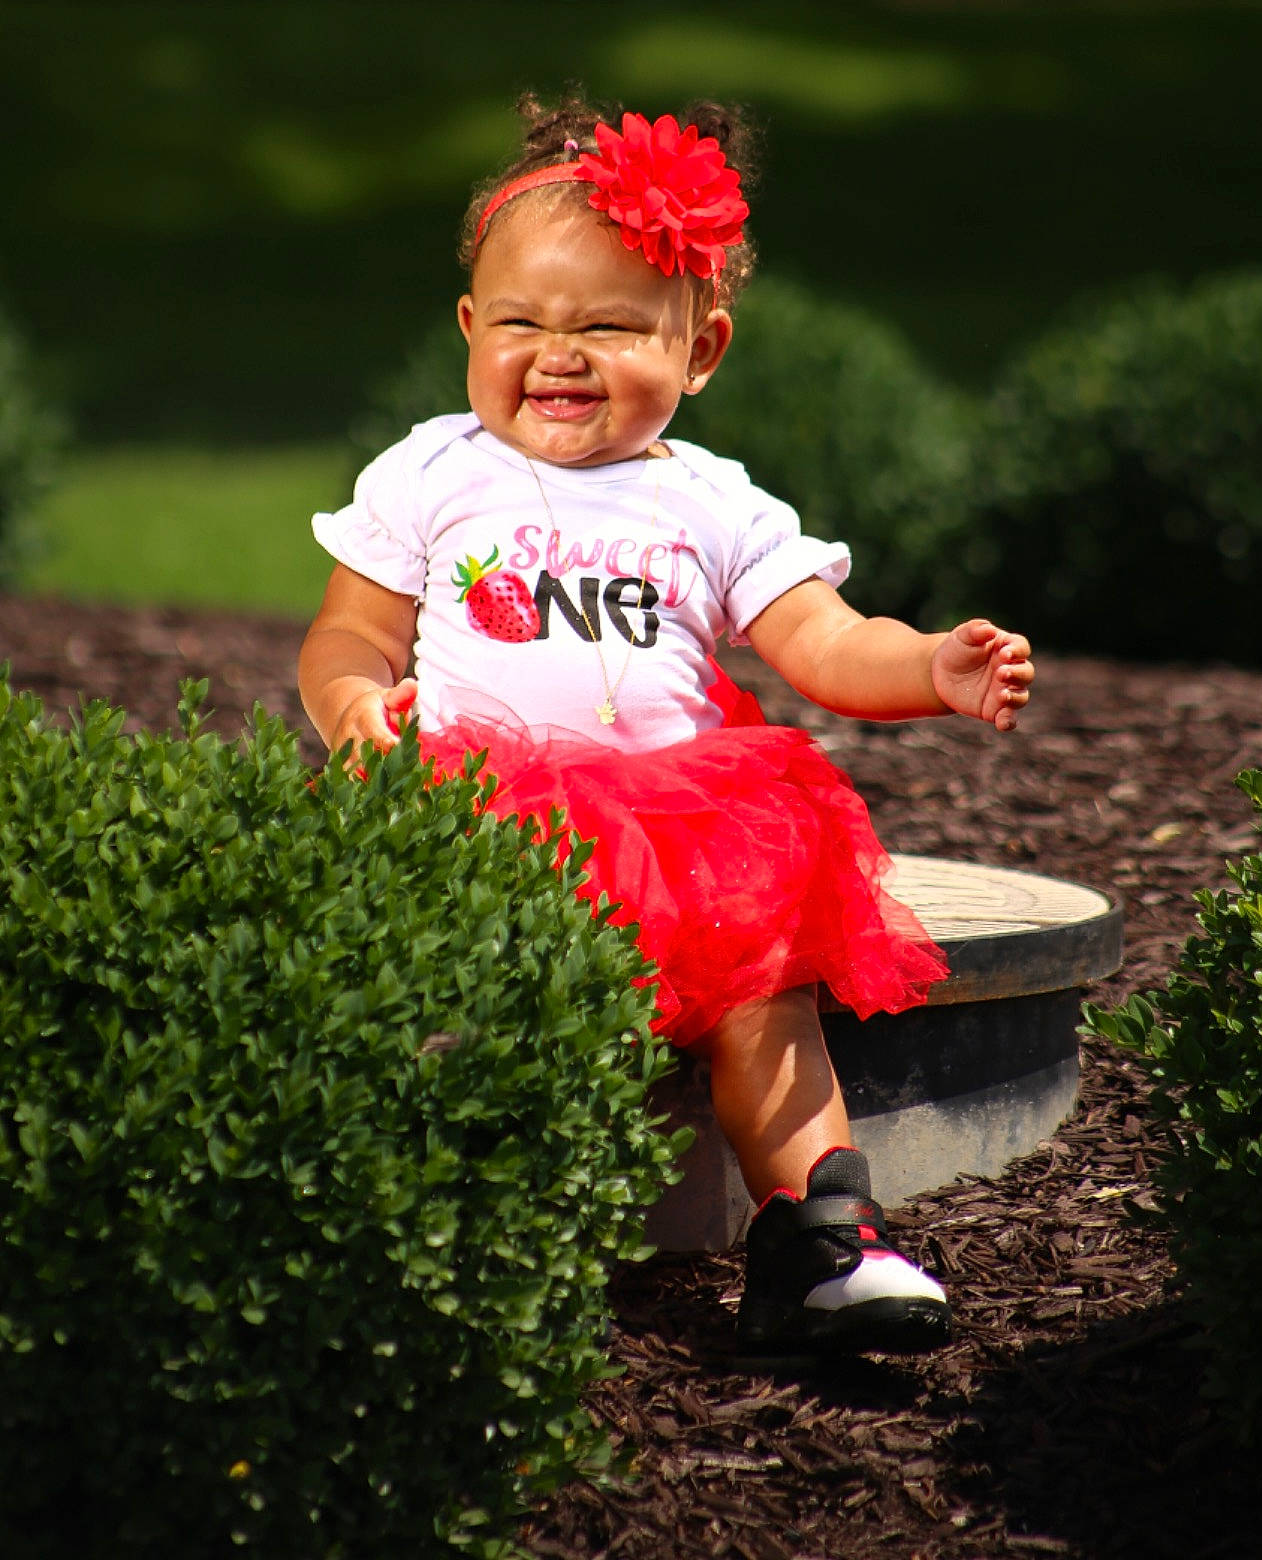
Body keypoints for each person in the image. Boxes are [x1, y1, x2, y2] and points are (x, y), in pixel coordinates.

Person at [298, 93, 1034, 1359]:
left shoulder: (712, 504)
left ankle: (821, 1233)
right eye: (522, 320)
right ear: (470, 328)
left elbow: (824, 642)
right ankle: (434, 1228)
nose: (560, 352)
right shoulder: (432, 471)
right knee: (449, 999)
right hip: (477, 814)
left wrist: (930, 666)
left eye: (610, 325)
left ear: (701, 351)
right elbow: (347, 637)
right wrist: (358, 708)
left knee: (765, 1001)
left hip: (684, 832)